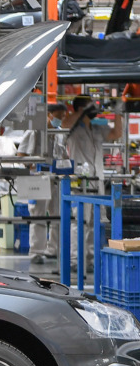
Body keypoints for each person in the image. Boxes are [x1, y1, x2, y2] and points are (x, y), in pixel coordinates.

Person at [62, 96, 126, 274]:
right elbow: (65, 124)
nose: (94, 108)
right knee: (79, 221)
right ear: (80, 108)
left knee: (94, 222)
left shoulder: (97, 128)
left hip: (97, 181)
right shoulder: (72, 129)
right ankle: (75, 259)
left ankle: (89, 258)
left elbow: (116, 134)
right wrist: (82, 112)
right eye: (90, 105)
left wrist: (117, 112)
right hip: (79, 182)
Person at [28, 103, 67, 264]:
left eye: (63, 116)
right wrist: (35, 165)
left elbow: (63, 155)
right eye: (59, 115)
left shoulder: (59, 134)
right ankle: (36, 252)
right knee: (39, 216)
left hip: (55, 180)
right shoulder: (35, 132)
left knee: (58, 214)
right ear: (49, 114)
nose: (61, 119)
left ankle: (53, 249)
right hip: (38, 179)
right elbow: (22, 154)